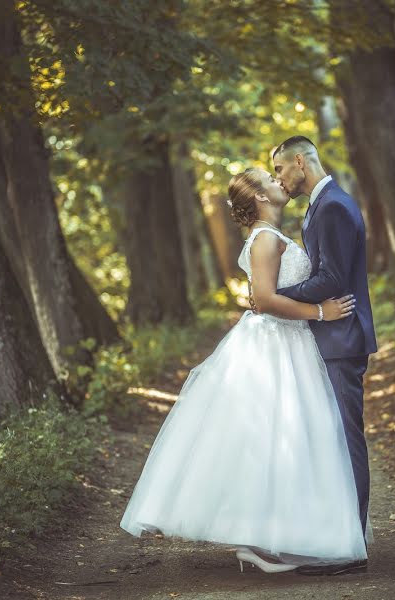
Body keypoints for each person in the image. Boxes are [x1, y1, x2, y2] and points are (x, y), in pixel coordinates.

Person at [120, 166, 367, 574]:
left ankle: (277, 536)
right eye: (270, 181)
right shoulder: (266, 239)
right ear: (260, 197)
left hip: (287, 340)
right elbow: (266, 300)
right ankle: (263, 540)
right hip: (276, 343)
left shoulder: (269, 236)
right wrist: (320, 312)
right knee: (277, 436)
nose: (279, 182)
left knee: (290, 439)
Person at [272, 135, 377, 576]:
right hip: (330, 336)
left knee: (347, 439)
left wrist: (274, 298)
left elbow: (330, 277)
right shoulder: (321, 205)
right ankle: (341, 537)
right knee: (335, 438)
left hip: (341, 337)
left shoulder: (332, 205)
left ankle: (350, 550)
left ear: (300, 161)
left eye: (279, 169)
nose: (279, 178)